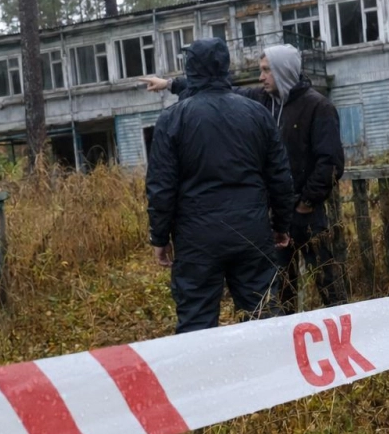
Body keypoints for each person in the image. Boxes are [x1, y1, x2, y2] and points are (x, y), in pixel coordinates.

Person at [142, 43, 347, 312]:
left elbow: (330, 162)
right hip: (273, 216)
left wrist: (305, 203)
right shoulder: (260, 101)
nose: (261, 77)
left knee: (328, 281)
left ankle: (346, 337)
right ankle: (286, 341)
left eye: (266, 71)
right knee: (279, 288)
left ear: (284, 72)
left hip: (307, 214)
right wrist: (169, 84)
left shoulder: (317, 106)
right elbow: (216, 91)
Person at [145, 37, 295, 333]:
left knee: (197, 322)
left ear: (191, 69)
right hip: (251, 232)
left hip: (196, 238)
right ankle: (268, 376)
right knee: (262, 315)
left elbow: (161, 186)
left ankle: (202, 378)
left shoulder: (172, 119)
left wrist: (160, 238)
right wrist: (281, 224)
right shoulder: (256, 113)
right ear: (225, 67)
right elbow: (279, 176)